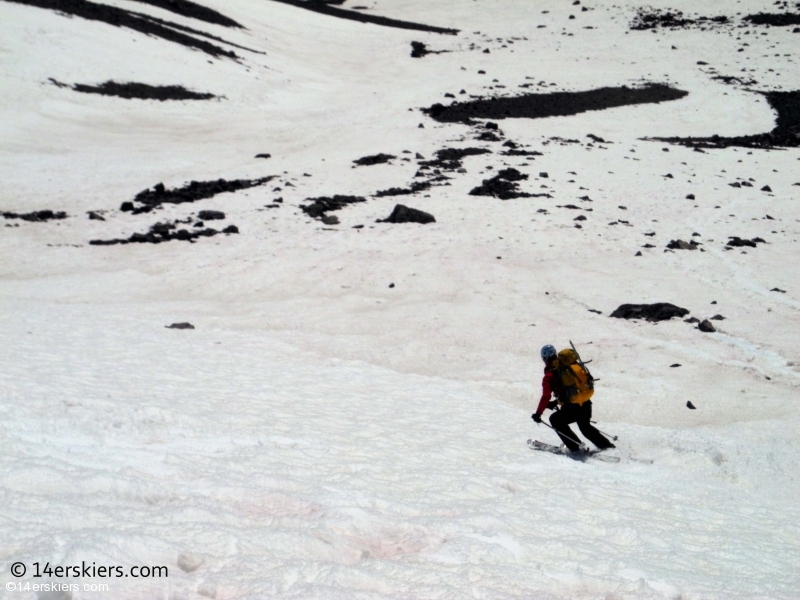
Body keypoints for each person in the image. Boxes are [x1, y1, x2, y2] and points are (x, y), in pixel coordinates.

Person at [532, 344, 615, 453]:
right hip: (585, 402)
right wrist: (555, 402)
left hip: (571, 407)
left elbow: (546, 396)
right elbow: (572, 390)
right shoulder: (568, 367)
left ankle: (576, 447)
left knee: (555, 419)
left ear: (545, 359)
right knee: (585, 427)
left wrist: (538, 414)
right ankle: (608, 447)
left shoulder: (549, 376)